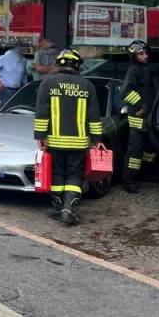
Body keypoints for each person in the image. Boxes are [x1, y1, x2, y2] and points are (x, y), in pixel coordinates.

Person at [33, 48, 103, 225]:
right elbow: (94, 116)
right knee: (74, 175)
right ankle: (69, 210)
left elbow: (41, 113)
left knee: (57, 174)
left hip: (55, 141)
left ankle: (57, 208)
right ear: (78, 65)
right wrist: (96, 140)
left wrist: (41, 136)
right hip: (79, 143)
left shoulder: (47, 83)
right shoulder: (87, 85)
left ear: (58, 63)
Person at [121, 39, 159, 193]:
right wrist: (141, 106)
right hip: (138, 117)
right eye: (141, 54)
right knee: (135, 151)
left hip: (150, 117)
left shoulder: (149, 69)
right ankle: (129, 180)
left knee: (150, 149)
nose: (145, 56)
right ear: (134, 56)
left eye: (146, 53)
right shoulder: (133, 71)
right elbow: (125, 92)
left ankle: (147, 174)